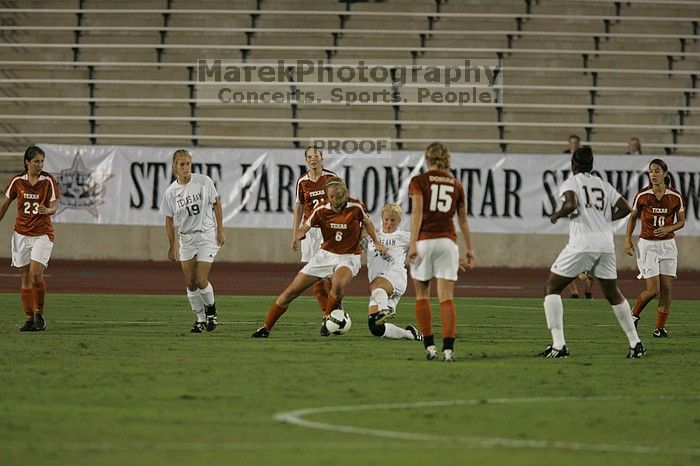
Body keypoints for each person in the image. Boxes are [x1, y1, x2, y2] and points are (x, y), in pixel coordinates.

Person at [541, 146, 645, 358]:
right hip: (605, 244)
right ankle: (636, 344)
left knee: (551, 288)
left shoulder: (572, 182)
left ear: (573, 165)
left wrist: (557, 215)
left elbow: (571, 204)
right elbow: (627, 208)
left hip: (583, 243)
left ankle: (559, 345)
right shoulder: (603, 184)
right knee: (613, 294)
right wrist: (605, 221)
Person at [252, 177, 387, 338]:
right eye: (332, 196)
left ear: (345, 193)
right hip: (324, 256)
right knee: (290, 292)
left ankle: (327, 318)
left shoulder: (356, 206)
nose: (336, 200)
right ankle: (265, 328)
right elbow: (306, 226)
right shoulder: (322, 209)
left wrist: (376, 242)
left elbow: (368, 223)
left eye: (339, 196)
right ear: (327, 196)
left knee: (337, 286)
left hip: (348, 257)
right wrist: (298, 235)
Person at [408, 142, 476, 362]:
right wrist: (470, 248)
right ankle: (448, 350)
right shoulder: (456, 184)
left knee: (422, 295)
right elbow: (463, 220)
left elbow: (417, 213)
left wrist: (412, 244)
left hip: (426, 241)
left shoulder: (419, 181)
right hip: (448, 243)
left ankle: (429, 347)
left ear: (427, 159)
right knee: (446, 298)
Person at [160, 149, 225, 333]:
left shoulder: (203, 181)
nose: (186, 167)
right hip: (186, 238)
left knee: (201, 278)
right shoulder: (171, 192)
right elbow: (169, 219)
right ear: (175, 166)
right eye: (182, 164)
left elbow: (216, 203)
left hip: (206, 235)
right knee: (190, 282)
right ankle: (200, 319)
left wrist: (220, 230)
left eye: (188, 163)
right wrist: (172, 243)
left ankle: (211, 311)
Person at [0, 146, 60, 331]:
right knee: (25, 278)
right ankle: (29, 319)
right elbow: (5, 204)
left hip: (42, 234)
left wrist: (47, 210)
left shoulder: (48, 180)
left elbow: (53, 207)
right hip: (21, 235)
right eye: (36, 161)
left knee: (35, 275)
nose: (40, 165)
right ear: (27, 162)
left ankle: (39, 312)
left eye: (42, 161)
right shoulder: (17, 181)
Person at [624, 158, 685, 338]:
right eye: (651, 171)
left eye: (657, 171)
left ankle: (659, 328)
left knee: (667, 289)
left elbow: (681, 221)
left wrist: (669, 227)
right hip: (648, 245)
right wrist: (627, 239)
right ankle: (633, 314)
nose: (653, 174)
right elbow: (633, 217)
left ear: (665, 174)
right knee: (653, 290)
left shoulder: (675, 196)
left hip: (668, 246)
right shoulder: (643, 195)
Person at [364, 203, 422, 341]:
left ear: (399, 221)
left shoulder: (404, 236)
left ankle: (385, 309)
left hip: (395, 277)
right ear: (382, 218)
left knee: (374, 286)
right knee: (376, 328)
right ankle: (409, 334)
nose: (389, 223)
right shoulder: (372, 236)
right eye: (386, 219)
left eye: (393, 220)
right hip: (379, 288)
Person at [291, 146, 336, 314]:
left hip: (328, 231)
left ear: (322, 159)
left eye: (316, 156)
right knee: (315, 279)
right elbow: (299, 207)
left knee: (331, 277)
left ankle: (336, 309)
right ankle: (328, 315)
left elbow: (341, 202)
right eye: (309, 156)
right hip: (310, 233)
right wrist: (295, 233)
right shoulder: (302, 182)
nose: (313, 159)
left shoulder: (331, 178)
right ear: (306, 160)